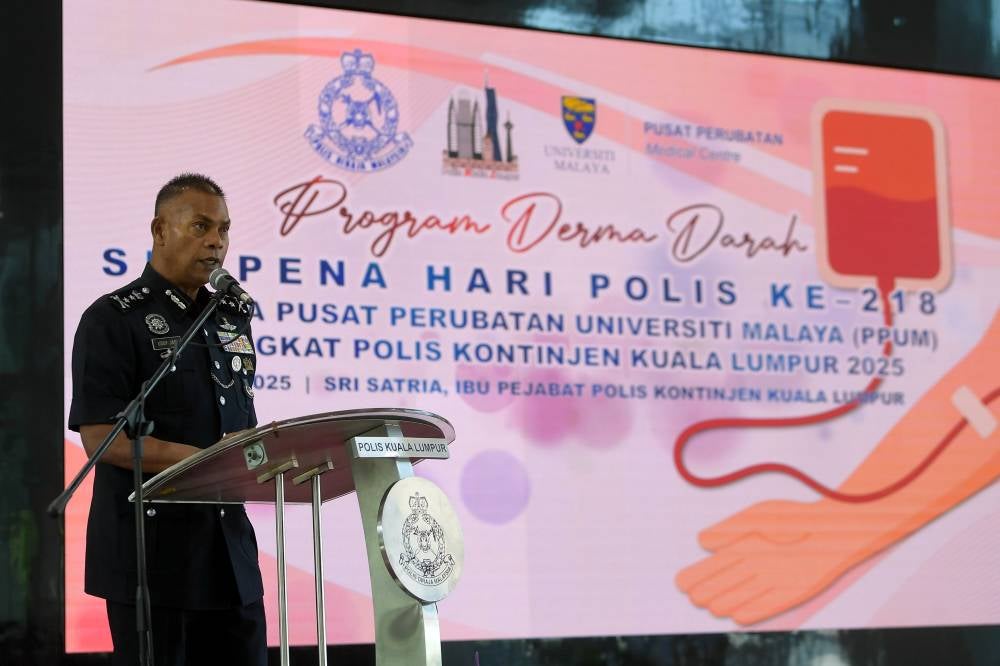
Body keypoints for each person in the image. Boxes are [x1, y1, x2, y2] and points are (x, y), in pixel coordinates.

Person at [68, 173, 266, 665]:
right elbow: (101, 438)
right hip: (153, 564)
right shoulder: (113, 319)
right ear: (160, 230)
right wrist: (207, 461)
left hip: (230, 558)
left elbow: (240, 423)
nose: (216, 241)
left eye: (224, 229)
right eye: (201, 226)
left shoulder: (230, 319)